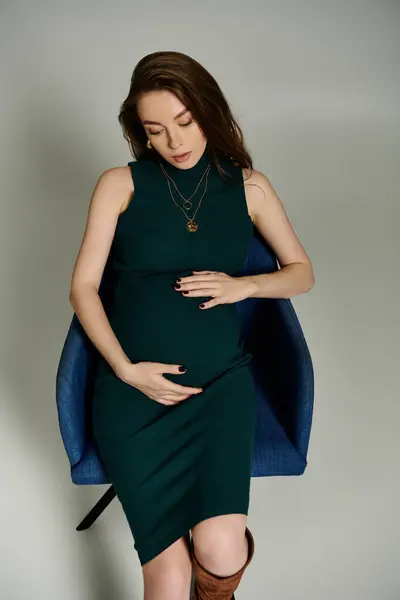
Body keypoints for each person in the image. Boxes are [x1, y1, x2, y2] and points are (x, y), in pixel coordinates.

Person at [69, 50, 314, 600]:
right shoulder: (119, 184)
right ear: (141, 134)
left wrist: (245, 285)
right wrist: (126, 371)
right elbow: (82, 288)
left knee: (220, 551)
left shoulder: (249, 187)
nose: (175, 141)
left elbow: (302, 273)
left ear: (209, 113)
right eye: (156, 131)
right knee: (169, 576)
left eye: (185, 122)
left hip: (219, 385)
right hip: (134, 393)